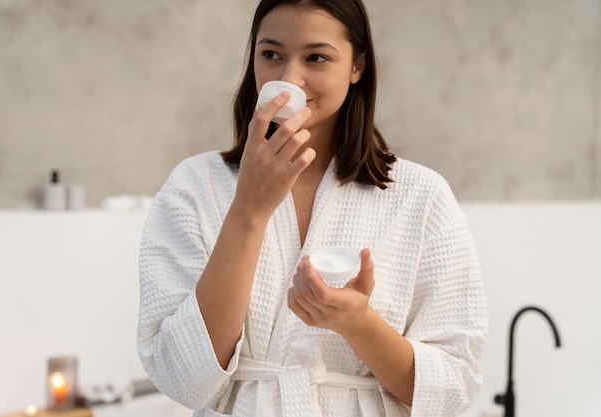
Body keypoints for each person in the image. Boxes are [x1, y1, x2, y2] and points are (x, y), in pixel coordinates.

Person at [137, 0, 488, 416]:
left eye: (316, 57)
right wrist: (248, 211)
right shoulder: (194, 186)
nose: (289, 81)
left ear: (357, 66)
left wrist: (358, 325)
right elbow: (182, 378)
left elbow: (453, 389)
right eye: (271, 55)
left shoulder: (421, 196)